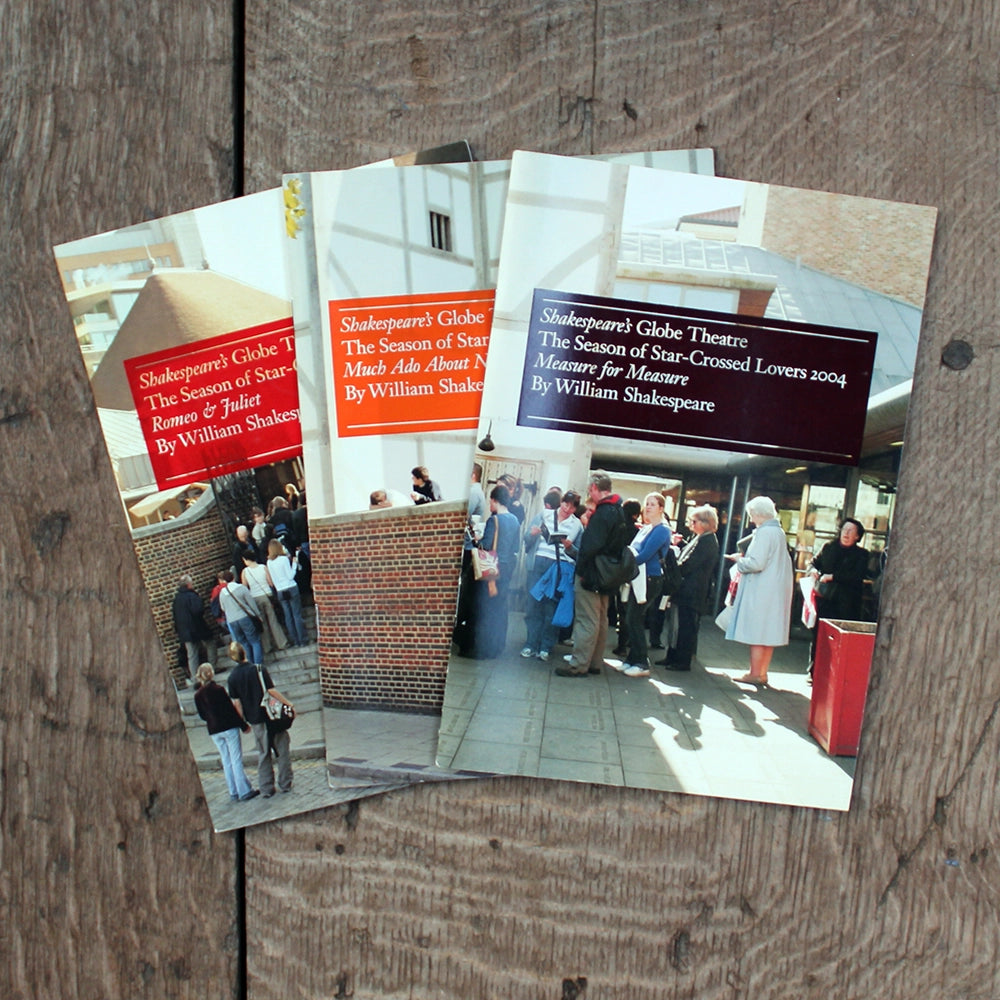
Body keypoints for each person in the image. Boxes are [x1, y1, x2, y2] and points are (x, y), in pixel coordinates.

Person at [556, 472, 627, 678]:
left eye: (590, 490)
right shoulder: (618, 511)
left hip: (592, 574)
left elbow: (590, 547)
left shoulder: (602, 513)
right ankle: (595, 662)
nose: (590, 494)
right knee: (601, 620)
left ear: (595, 488)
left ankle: (578, 665)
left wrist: (582, 569)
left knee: (587, 620)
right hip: (609, 574)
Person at [723, 496, 793, 687]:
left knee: (757, 632)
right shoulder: (779, 532)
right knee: (768, 634)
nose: (751, 519)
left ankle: (754, 673)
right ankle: (762, 672)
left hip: (761, 590)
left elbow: (756, 563)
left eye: (752, 515)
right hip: (776, 590)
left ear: (758, 514)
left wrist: (739, 560)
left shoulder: (764, 533)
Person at [521, 488, 583, 661]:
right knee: (533, 605)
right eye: (565, 503)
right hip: (538, 563)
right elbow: (526, 538)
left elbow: (579, 554)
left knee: (551, 609)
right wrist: (532, 534)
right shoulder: (544, 515)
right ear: (561, 502)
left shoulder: (576, 524)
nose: (567, 508)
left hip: (558, 567)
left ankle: (545, 647)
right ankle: (530, 644)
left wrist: (570, 547)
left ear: (575, 509)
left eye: (571, 507)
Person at [227, 642, 295, 798]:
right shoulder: (258, 670)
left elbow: (237, 704)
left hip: (255, 720)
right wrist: (288, 704)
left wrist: (243, 724)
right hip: (271, 716)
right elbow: (271, 691)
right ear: (244, 652)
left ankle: (266, 788)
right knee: (282, 750)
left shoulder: (232, 678)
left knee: (263, 754)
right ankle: (285, 783)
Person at [614, 493, 671, 678]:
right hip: (638, 577)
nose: (648, 507)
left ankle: (641, 662)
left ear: (661, 508)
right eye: (647, 504)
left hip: (650, 578)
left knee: (635, 618)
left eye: (653, 504)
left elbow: (645, 554)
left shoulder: (662, 529)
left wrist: (623, 568)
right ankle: (632, 659)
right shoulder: (646, 528)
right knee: (631, 618)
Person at [660, 505, 720, 671]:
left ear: (705, 523)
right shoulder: (701, 538)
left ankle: (681, 660)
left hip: (691, 592)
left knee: (685, 627)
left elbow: (689, 564)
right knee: (675, 626)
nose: (690, 524)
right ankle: (672, 656)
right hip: (686, 590)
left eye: (693, 521)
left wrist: (673, 559)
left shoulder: (707, 541)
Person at [193, 662, 258, 802]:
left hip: (213, 730)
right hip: (228, 727)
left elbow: (202, 716)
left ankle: (233, 790)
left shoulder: (198, 695)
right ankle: (244, 790)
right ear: (212, 674)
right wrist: (243, 725)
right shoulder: (219, 690)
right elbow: (230, 711)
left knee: (226, 760)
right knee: (235, 759)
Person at [473, 483, 520, 659]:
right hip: (508, 567)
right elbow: (515, 545)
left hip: (493, 567)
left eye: (490, 501)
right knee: (501, 607)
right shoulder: (515, 520)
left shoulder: (494, 520)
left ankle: (486, 647)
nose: (490, 505)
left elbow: (486, 545)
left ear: (494, 500)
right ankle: (499, 645)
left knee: (488, 607)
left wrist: (478, 539)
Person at [809, 518, 869, 622]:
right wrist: (813, 570)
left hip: (847, 604)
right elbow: (814, 563)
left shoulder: (862, 554)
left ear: (857, 536)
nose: (846, 533)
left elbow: (857, 575)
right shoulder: (829, 548)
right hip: (824, 600)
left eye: (851, 531)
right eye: (844, 529)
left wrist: (832, 577)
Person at [241, 552, 288, 655]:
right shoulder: (263, 567)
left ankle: (267, 647)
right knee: (273, 620)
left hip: (255, 598)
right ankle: (282, 643)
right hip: (267, 595)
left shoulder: (245, 572)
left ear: (247, 559)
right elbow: (270, 582)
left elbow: (244, 588)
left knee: (263, 623)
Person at [217, 570, 264, 667]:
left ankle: (249, 664)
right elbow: (251, 603)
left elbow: (223, 608)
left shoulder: (222, 593)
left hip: (232, 620)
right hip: (244, 617)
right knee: (254, 641)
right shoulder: (241, 588)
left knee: (243, 643)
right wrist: (258, 615)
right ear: (234, 577)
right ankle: (258, 665)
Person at [267, 539, 309, 646]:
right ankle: (302, 639)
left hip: (280, 590)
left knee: (288, 616)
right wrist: (294, 564)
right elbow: (290, 575)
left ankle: (295, 640)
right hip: (290, 587)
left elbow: (273, 578)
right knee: (296, 614)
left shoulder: (269, 562)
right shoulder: (283, 559)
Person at [172, 575, 215, 678]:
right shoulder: (192, 596)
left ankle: (195, 678)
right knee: (210, 643)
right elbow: (198, 610)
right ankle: (212, 667)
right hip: (197, 627)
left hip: (184, 631)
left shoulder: (176, 599)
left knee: (192, 655)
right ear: (189, 584)